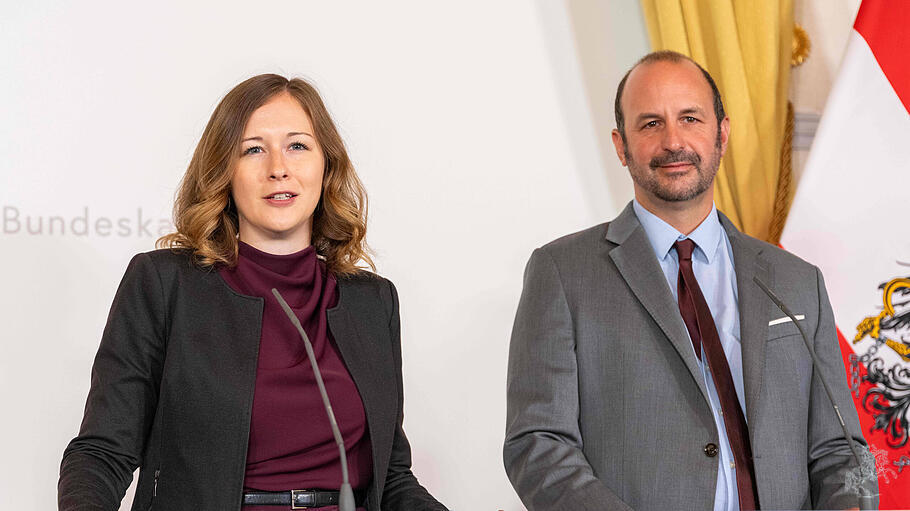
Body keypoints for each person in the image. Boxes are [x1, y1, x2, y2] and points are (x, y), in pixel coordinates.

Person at [503, 51, 876, 510]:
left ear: (722, 134)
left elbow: (842, 451)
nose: (673, 141)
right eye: (650, 124)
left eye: (690, 118)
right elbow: (538, 446)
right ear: (621, 146)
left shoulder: (796, 282)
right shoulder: (562, 273)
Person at [58, 74, 447, 511]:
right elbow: (101, 453)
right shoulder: (164, 284)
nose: (278, 167)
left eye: (297, 146)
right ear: (224, 170)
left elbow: (392, 477)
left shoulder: (372, 302)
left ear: (327, 165)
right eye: (253, 149)